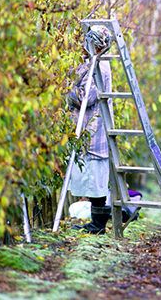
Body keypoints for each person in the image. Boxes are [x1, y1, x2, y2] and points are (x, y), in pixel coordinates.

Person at [69, 25, 113, 234]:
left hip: (93, 129)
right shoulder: (87, 65)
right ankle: (95, 224)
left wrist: (66, 89)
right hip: (86, 129)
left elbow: (84, 98)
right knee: (89, 177)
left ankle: (98, 225)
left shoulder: (100, 68)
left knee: (95, 179)